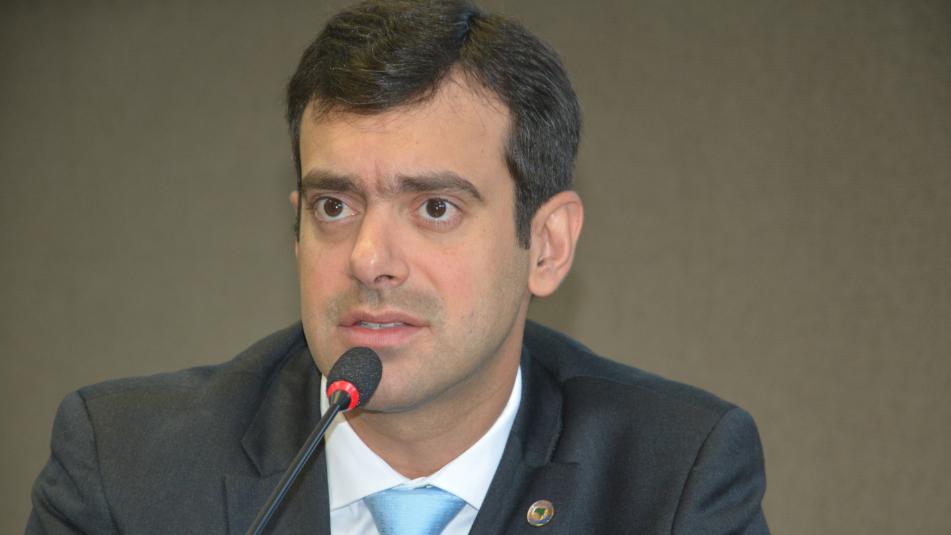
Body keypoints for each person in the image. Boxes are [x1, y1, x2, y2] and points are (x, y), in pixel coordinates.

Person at [28, 0, 770, 533]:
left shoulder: (674, 478)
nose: (369, 259)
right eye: (334, 206)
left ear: (546, 246)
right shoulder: (125, 469)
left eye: (435, 208)